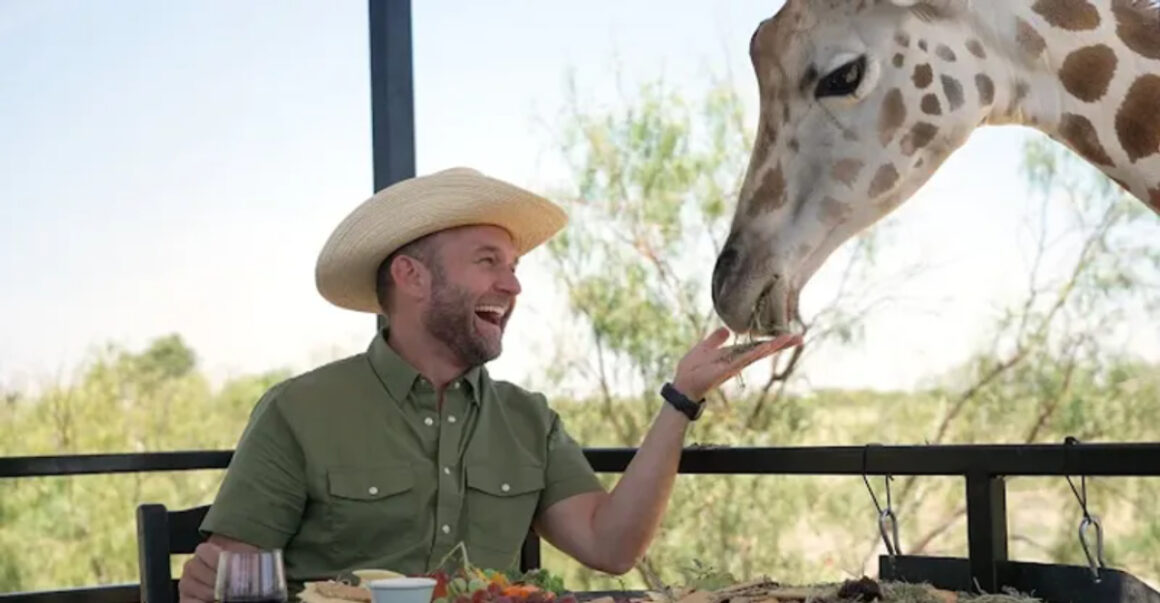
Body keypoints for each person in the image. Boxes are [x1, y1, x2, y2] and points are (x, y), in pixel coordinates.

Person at [177, 167, 801, 602]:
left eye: (513, 266)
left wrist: (681, 399)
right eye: (487, 262)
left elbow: (612, 547)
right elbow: (226, 581)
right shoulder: (300, 412)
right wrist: (205, 583)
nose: (512, 285)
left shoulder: (527, 420)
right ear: (412, 276)